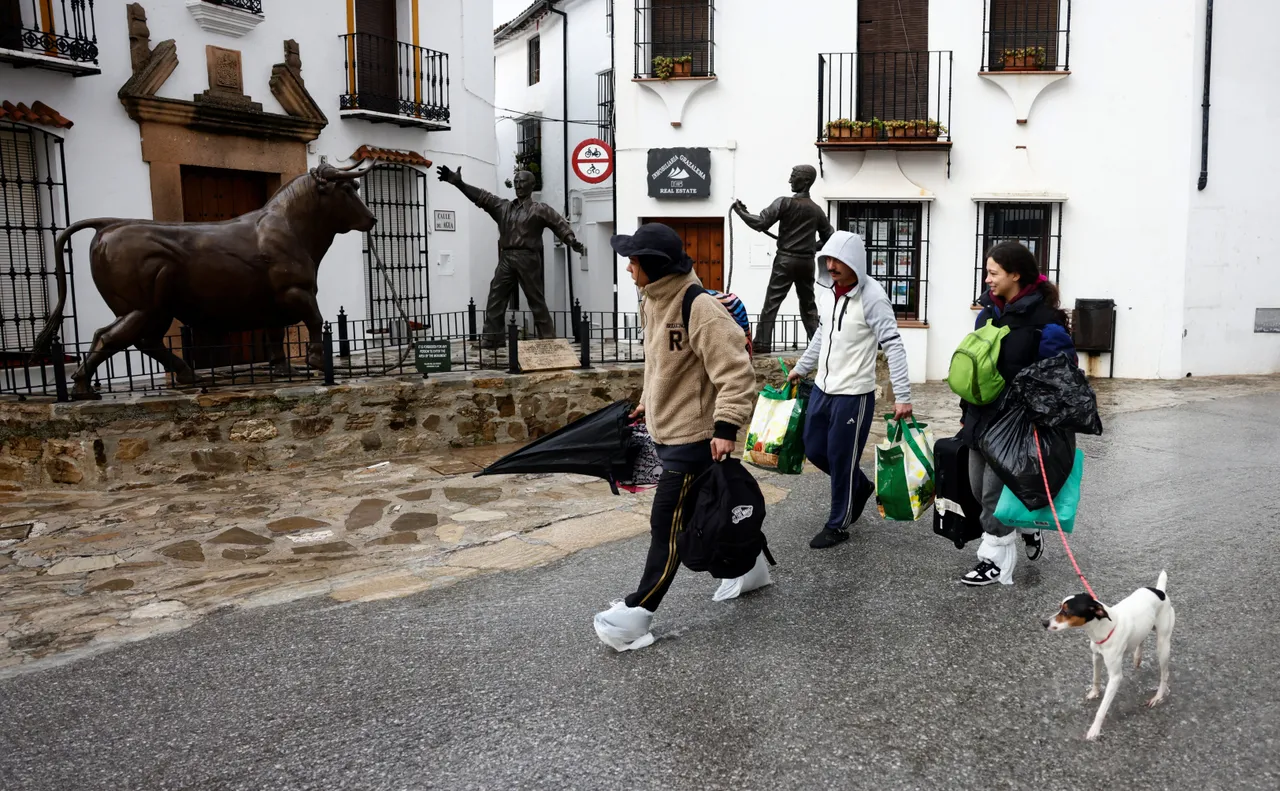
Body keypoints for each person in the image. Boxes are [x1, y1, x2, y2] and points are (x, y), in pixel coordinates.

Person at [593, 223, 762, 652]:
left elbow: (737, 371)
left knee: (666, 526)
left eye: (633, 261)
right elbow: (662, 366)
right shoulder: (653, 301)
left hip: (697, 438)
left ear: (654, 266)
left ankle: (637, 613)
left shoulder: (698, 306)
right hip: (668, 430)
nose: (628, 268)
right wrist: (647, 401)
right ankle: (752, 567)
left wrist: (726, 428)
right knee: (716, 509)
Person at [957, 241, 1077, 586]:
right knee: (978, 490)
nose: (988, 279)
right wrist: (966, 411)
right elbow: (976, 368)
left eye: (993, 273)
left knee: (994, 496)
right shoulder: (987, 315)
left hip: (1017, 426)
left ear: (1015, 274)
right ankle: (1027, 524)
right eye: (987, 272)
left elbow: (1062, 378)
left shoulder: (1046, 323)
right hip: (981, 418)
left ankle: (994, 562)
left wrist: (1038, 414)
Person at [788, 231, 913, 549]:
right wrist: (802, 367)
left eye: (837, 260)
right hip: (821, 389)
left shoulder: (873, 298)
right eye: (827, 259)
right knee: (814, 449)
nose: (830, 266)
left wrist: (903, 396)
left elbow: (894, 347)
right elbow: (822, 333)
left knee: (841, 460)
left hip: (853, 396)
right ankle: (858, 486)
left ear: (855, 262)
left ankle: (837, 525)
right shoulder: (828, 291)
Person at [436, 166, 586, 348]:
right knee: (496, 296)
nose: (518, 185)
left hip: (528, 258)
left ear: (532, 186)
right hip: (506, 257)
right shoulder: (503, 207)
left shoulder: (540, 209)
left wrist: (571, 240)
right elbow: (481, 197)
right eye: (515, 182)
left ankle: (548, 339)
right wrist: (459, 184)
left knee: (535, 299)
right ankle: (493, 338)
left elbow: (559, 224)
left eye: (522, 181)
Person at [732, 165, 834, 353]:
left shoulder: (784, 203)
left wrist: (741, 213)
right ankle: (817, 344)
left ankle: (762, 343)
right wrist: (812, 248)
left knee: (772, 301)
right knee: (808, 304)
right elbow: (830, 235)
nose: (789, 180)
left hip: (785, 260)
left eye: (793, 176)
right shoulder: (817, 210)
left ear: (804, 181)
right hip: (807, 262)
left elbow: (761, 223)